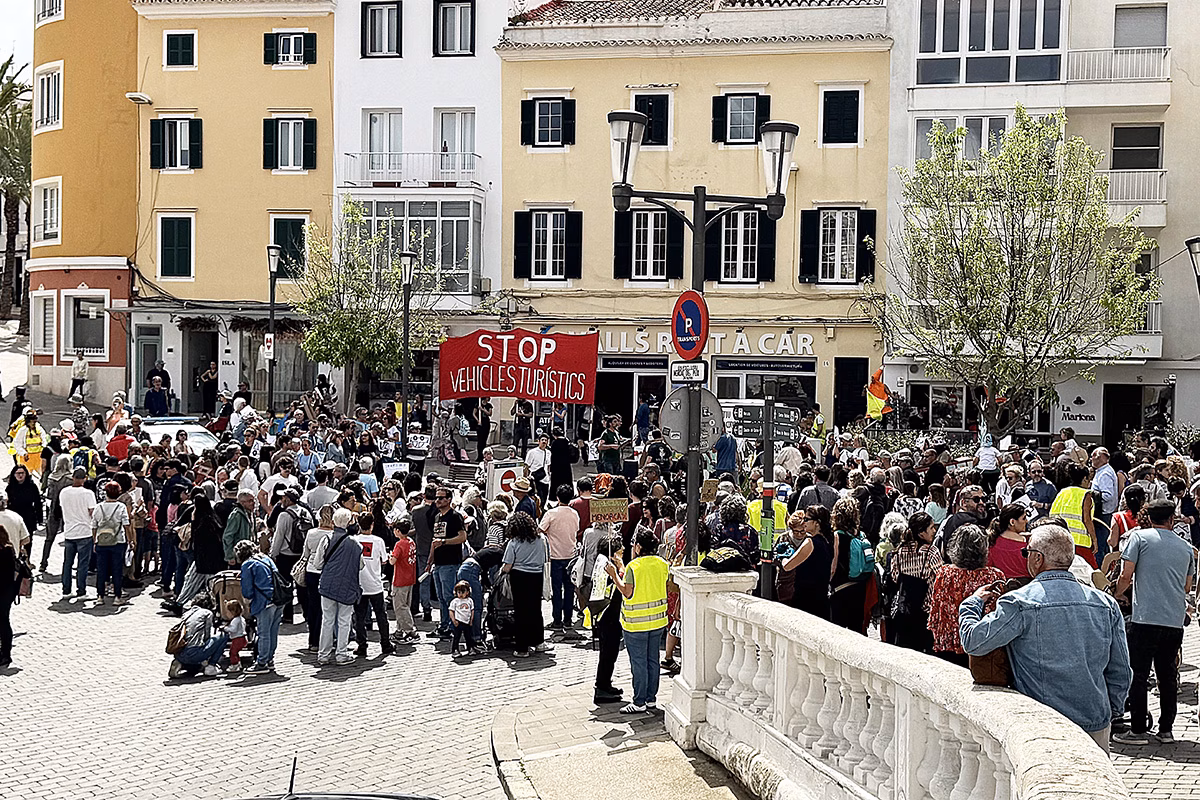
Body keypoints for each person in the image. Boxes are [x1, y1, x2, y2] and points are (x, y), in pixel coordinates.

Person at [959, 525, 1131, 753]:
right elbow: (1121, 670)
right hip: (1094, 719)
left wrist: (971, 604)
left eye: (1026, 552)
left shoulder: (1019, 603)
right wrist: (1111, 709)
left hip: (1041, 724)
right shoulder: (1105, 604)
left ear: (1037, 558)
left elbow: (974, 641)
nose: (1026, 557)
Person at [1112, 499, 1196, 745]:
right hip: (1173, 621)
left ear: (1149, 517)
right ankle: (1166, 729)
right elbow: (1187, 585)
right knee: (1167, 675)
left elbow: (1126, 575)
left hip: (1145, 618)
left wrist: (1118, 593)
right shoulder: (1185, 547)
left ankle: (1137, 730)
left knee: (1138, 674)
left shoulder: (1138, 539)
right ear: (1172, 519)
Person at [607, 527, 669, 714]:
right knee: (653, 661)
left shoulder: (634, 566)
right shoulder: (662, 563)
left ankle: (639, 701)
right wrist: (620, 567)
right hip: (658, 621)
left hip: (636, 624)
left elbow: (627, 591)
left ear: (639, 547)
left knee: (639, 663)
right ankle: (650, 699)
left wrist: (614, 575)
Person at [927, 524, 1004, 667]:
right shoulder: (994, 576)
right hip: (981, 646)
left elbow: (936, 612)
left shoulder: (944, 574)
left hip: (948, 646)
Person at [313, 508, 363, 666]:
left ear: (333, 521)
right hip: (348, 586)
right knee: (344, 621)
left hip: (328, 584)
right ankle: (341, 654)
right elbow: (360, 566)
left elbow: (317, 563)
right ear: (349, 523)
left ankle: (323, 654)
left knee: (327, 620)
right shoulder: (356, 544)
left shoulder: (326, 539)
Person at [886, 511, 943, 652]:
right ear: (921, 533)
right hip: (924, 613)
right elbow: (940, 580)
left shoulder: (900, 552)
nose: (934, 531)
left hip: (903, 609)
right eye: (931, 528)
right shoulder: (931, 552)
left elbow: (894, 577)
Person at [500, 511, 551, 658]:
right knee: (535, 610)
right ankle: (539, 642)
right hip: (536, 577)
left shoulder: (514, 542)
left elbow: (508, 565)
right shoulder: (541, 540)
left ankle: (522, 647)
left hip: (519, 577)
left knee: (521, 612)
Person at [235, 539, 283, 674]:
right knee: (273, 632)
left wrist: (247, 603)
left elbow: (247, 592)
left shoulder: (247, 564)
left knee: (264, 633)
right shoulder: (265, 558)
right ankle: (269, 659)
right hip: (278, 599)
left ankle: (261, 663)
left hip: (264, 602)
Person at [780, 507, 835, 620]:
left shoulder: (810, 542)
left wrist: (783, 556)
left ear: (816, 523)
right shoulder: (829, 540)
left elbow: (787, 566)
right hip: (822, 600)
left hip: (805, 601)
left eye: (806, 519)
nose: (803, 522)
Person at [539, 484, 580, 629]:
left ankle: (557, 620)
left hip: (555, 556)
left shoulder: (551, 513)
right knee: (569, 590)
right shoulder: (575, 514)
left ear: (557, 497)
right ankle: (568, 620)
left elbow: (540, 529)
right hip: (571, 555)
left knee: (556, 590)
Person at [429, 485, 467, 639]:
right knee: (441, 597)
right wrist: (430, 561)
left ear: (449, 499)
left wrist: (444, 542)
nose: (437, 500)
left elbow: (462, 537)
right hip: (438, 563)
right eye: (436, 497)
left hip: (450, 562)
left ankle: (453, 626)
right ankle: (444, 625)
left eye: (440, 498)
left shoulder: (454, 516)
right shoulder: (437, 517)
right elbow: (434, 541)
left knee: (449, 596)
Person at [352, 512, 392, 657]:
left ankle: (362, 645)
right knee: (381, 615)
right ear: (372, 524)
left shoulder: (354, 540)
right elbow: (384, 560)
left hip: (359, 584)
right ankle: (385, 643)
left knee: (359, 617)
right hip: (375, 583)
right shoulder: (378, 541)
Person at [92, 481, 133, 606]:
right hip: (118, 541)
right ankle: (117, 596)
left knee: (101, 569)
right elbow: (126, 525)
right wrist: (130, 540)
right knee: (117, 569)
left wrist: (95, 540)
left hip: (101, 541)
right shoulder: (121, 507)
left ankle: (100, 596)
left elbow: (94, 525)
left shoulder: (99, 507)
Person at [1050, 462, 1097, 568]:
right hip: (1080, 543)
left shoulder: (1061, 493)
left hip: (1061, 540)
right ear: (1085, 478)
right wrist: (1094, 540)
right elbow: (1087, 520)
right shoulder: (1086, 495)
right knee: (1089, 572)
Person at [59, 466, 96, 598]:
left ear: (73, 477)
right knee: (82, 564)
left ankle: (66, 590)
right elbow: (92, 512)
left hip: (69, 532)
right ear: (85, 478)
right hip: (85, 532)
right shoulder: (88, 494)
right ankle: (81, 591)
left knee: (67, 563)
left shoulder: (64, 492)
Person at [39, 454, 73, 572]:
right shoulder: (70, 479)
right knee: (70, 540)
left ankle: (43, 562)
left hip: (53, 510)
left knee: (49, 539)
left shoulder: (51, 478)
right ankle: (68, 565)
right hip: (68, 512)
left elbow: (49, 496)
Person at [388, 518, 419, 645]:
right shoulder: (411, 542)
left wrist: (390, 556)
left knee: (400, 607)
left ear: (398, 531)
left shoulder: (399, 544)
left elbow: (392, 561)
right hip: (410, 577)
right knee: (406, 604)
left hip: (400, 579)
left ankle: (410, 631)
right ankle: (399, 630)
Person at [5, 466, 41, 549]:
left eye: (22, 473)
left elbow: (37, 502)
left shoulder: (32, 487)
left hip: (29, 516)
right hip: (14, 517)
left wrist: (39, 518)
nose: (20, 475)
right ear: (14, 475)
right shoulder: (10, 488)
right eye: (18, 473)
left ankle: (27, 559)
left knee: (28, 540)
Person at [0, 527, 21, 667]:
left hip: (3, 591)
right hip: (8, 591)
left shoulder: (5, 551)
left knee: (3, 622)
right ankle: (5, 654)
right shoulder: (9, 550)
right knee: (4, 621)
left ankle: (5, 654)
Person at [448, 581, 481, 657]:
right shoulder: (455, 601)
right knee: (456, 637)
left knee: (468, 636)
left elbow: (472, 610)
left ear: (467, 592)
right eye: (459, 592)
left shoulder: (469, 600)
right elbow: (451, 611)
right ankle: (455, 650)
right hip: (458, 621)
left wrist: (471, 620)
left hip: (467, 621)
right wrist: (454, 620)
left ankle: (470, 648)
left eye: (463, 592)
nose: (461, 594)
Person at [12, 409, 47, 477]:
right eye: (32, 420)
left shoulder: (39, 429)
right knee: (25, 476)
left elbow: (44, 439)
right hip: (27, 458)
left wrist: (44, 448)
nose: (34, 422)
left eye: (35, 419)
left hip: (39, 456)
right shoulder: (22, 430)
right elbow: (17, 444)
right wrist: (23, 453)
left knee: (42, 475)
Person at [524, 433, 552, 507]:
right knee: (538, 499)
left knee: (544, 500)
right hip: (535, 479)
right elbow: (526, 466)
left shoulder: (548, 453)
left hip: (545, 480)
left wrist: (549, 476)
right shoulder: (532, 452)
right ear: (538, 441)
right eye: (542, 440)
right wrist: (525, 478)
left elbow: (548, 466)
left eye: (546, 440)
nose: (544, 442)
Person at [223, 599, 249, 673]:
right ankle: (238, 663)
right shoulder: (241, 618)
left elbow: (233, 629)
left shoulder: (235, 620)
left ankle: (234, 665)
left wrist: (225, 628)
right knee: (235, 652)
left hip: (238, 639)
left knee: (232, 652)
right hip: (243, 637)